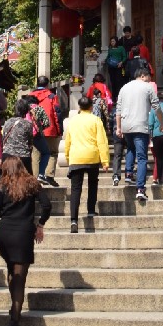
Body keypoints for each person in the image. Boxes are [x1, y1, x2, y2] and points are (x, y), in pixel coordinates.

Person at [0, 156, 52, 326]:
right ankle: (14, 321)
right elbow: (47, 205)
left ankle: (14, 308)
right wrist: (40, 224)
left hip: (5, 231)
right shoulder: (32, 183)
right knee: (20, 277)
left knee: (11, 270)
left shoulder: (2, 185)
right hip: (24, 231)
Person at [115, 66, 163, 203]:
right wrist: (161, 123)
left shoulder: (124, 88)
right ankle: (140, 189)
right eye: (148, 77)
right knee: (142, 157)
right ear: (143, 75)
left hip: (126, 125)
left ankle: (129, 173)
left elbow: (118, 110)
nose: (149, 79)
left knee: (130, 149)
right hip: (141, 126)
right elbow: (156, 107)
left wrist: (118, 127)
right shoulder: (148, 87)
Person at [63, 97, 110, 233]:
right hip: (92, 156)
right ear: (91, 107)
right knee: (92, 184)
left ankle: (74, 220)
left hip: (76, 157)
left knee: (75, 189)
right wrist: (105, 161)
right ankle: (90, 210)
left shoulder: (73, 121)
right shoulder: (96, 120)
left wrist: (68, 157)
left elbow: (67, 141)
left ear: (79, 107)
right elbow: (102, 141)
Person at [27, 77, 63, 185]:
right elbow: (57, 113)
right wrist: (59, 129)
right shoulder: (52, 96)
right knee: (52, 152)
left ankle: (36, 177)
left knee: (35, 154)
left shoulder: (30, 96)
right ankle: (49, 175)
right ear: (48, 85)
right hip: (50, 129)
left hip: (34, 130)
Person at [1, 98, 35, 174]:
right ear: (26, 110)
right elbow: (30, 142)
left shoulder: (7, 122)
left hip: (7, 155)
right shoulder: (28, 124)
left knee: (7, 178)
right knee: (27, 178)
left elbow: (3, 138)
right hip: (23, 156)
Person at [149, 90, 163, 186]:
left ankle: (159, 178)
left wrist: (150, 135)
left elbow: (150, 123)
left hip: (156, 135)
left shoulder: (153, 109)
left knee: (158, 158)